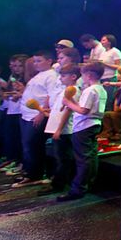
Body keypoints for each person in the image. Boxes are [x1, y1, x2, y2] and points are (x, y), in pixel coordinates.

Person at [57, 61, 107, 201]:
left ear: (89, 75)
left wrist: (68, 103)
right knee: (90, 157)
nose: (82, 78)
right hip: (94, 124)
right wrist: (73, 102)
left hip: (84, 127)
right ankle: (88, 184)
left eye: (83, 75)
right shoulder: (101, 89)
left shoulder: (90, 90)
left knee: (83, 159)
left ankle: (78, 189)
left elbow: (83, 111)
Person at [14, 50, 57, 186]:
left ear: (49, 61)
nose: (36, 64)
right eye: (35, 61)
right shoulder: (39, 75)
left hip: (36, 115)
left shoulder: (51, 76)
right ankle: (30, 172)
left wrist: (41, 113)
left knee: (32, 144)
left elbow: (50, 96)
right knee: (28, 145)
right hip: (26, 115)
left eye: (39, 61)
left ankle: (35, 174)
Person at [38, 63, 81, 196]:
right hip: (60, 128)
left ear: (73, 77)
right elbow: (60, 109)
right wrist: (49, 113)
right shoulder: (66, 90)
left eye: (63, 76)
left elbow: (68, 111)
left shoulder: (73, 90)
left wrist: (58, 129)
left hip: (65, 130)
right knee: (61, 157)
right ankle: (60, 182)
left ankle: (58, 184)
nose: (60, 78)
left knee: (63, 159)